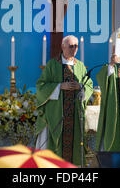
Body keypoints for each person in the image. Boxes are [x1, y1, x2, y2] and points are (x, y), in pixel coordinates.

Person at [35, 35, 93, 166]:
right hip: (57, 115)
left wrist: (80, 87)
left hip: (75, 117)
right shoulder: (52, 65)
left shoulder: (80, 66)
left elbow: (88, 84)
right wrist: (60, 86)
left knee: (75, 150)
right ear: (63, 47)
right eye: (71, 46)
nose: (74, 49)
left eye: (76, 46)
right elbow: (41, 86)